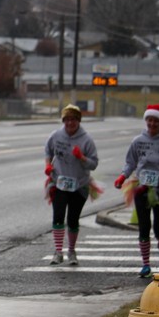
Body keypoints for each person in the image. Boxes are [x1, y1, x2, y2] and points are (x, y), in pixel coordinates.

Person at [44, 104, 100, 266]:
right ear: (63, 121)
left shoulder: (86, 140)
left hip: (79, 185)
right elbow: (48, 151)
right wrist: (48, 165)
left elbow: (94, 164)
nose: (70, 123)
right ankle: (58, 251)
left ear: (78, 121)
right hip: (58, 183)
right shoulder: (56, 136)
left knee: (73, 219)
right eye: (67, 119)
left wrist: (82, 157)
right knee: (58, 216)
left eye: (73, 119)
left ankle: (71, 251)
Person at [115, 104, 159, 278]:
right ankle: (146, 264)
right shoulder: (138, 141)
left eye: (156, 121)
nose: (152, 124)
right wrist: (122, 176)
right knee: (144, 226)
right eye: (149, 120)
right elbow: (130, 162)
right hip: (141, 187)